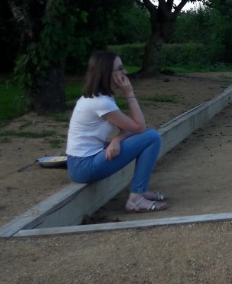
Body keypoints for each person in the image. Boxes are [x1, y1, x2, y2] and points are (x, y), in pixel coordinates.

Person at [66, 51, 169, 212]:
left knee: (147, 135)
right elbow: (139, 127)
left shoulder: (101, 97)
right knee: (151, 137)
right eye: (120, 69)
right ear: (106, 72)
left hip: (85, 160)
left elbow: (129, 129)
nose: (125, 73)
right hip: (84, 166)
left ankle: (140, 191)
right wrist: (129, 93)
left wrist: (117, 140)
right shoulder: (100, 102)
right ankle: (135, 198)